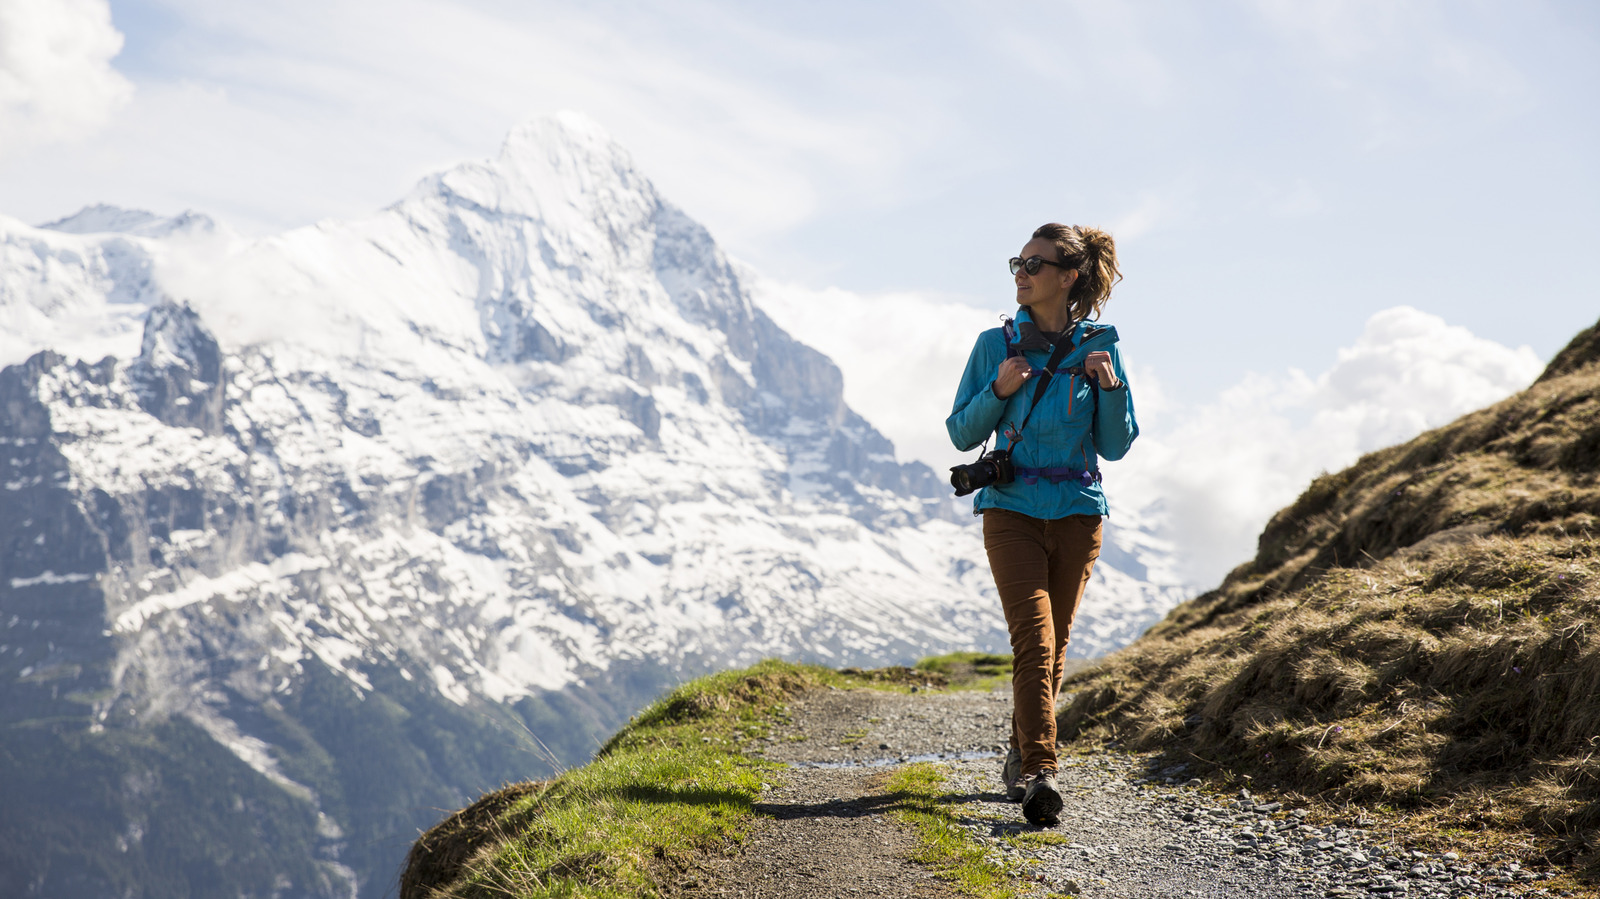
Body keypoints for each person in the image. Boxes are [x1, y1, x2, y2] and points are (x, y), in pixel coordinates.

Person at [945, 223, 1138, 827]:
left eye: (1034, 263)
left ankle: (1020, 751)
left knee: (1054, 647)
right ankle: (1040, 773)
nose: (1021, 273)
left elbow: (1116, 445)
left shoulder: (1101, 344)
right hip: (1010, 509)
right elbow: (961, 431)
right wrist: (997, 392)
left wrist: (1110, 390)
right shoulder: (993, 345)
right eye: (1017, 263)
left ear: (1068, 277)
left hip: (1079, 512)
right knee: (1034, 638)